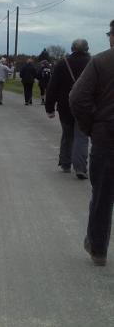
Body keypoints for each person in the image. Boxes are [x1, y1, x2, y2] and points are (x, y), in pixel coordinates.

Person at [69, 21, 114, 266]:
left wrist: (90, 126)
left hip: (107, 136)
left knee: (103, 196)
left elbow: (77, 98)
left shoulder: (101, 61)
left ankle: (98, 249)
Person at [45, 39, 91, 178]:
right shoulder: (92, 62)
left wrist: (49, 107)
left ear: (72, 48)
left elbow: (53, 86)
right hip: (86, 105)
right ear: (87, 49)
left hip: (65, 105)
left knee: (67, 134)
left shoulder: (62, 63)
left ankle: (65, 163)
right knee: (82, 136)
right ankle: (80, 168)